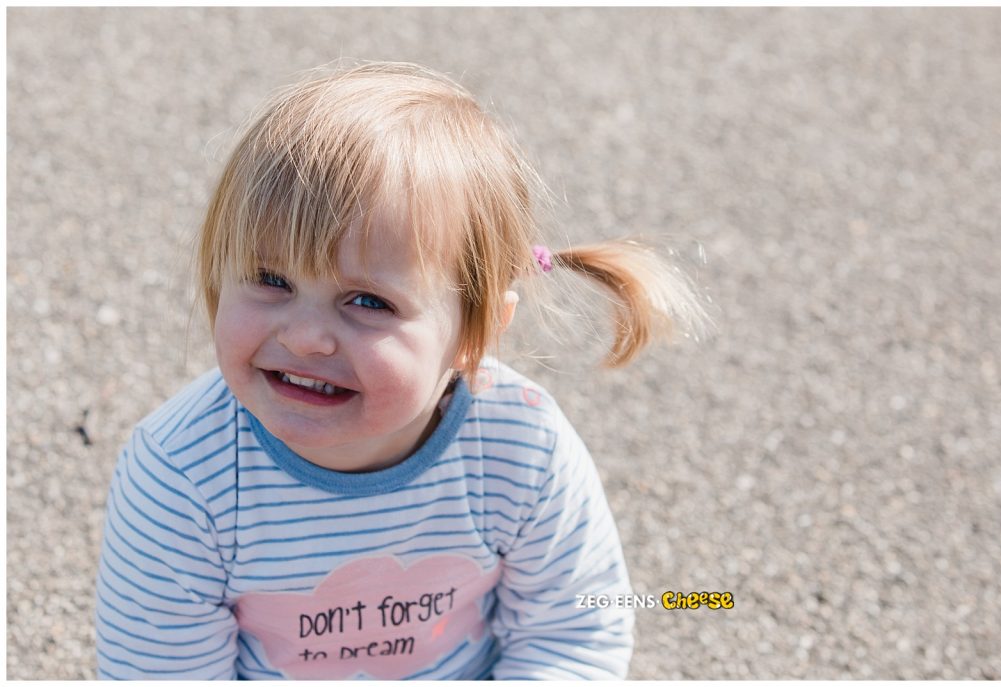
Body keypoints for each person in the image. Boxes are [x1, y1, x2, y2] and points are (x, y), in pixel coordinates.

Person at [94, 61, 710, 679]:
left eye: (368, 302)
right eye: (270, 279)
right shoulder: (182, 479)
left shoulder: (520, 447)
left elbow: (574, 626)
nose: (306, 338)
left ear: (476, 333)